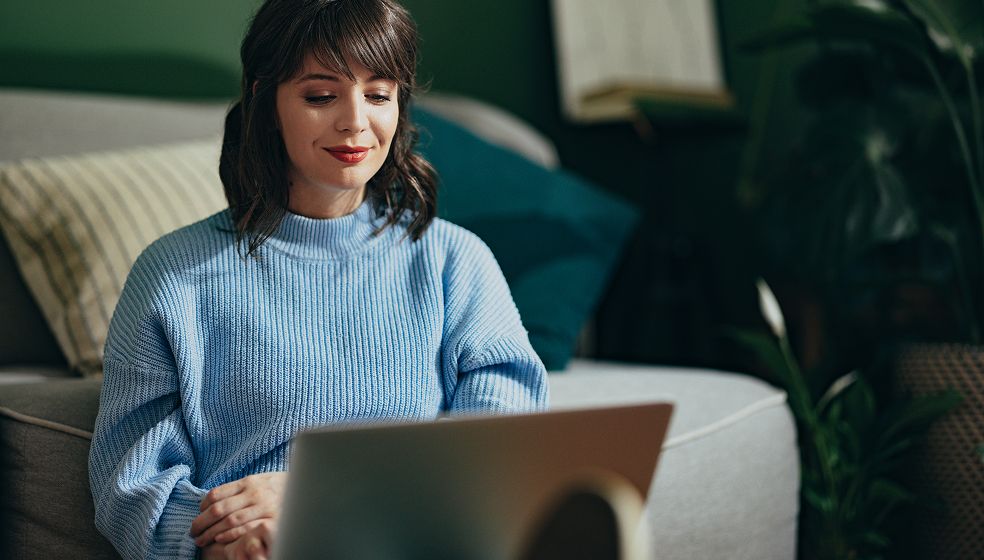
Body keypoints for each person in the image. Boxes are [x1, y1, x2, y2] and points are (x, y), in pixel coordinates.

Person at [87, 0, 549, 558]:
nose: (355, 121)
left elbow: (500, 454)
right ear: (266, 100)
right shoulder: (173, 276)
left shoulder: (457, 261)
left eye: (378, 94)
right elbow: (131, 489)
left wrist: (316, 494)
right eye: (321, 95)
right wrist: (228, 543)